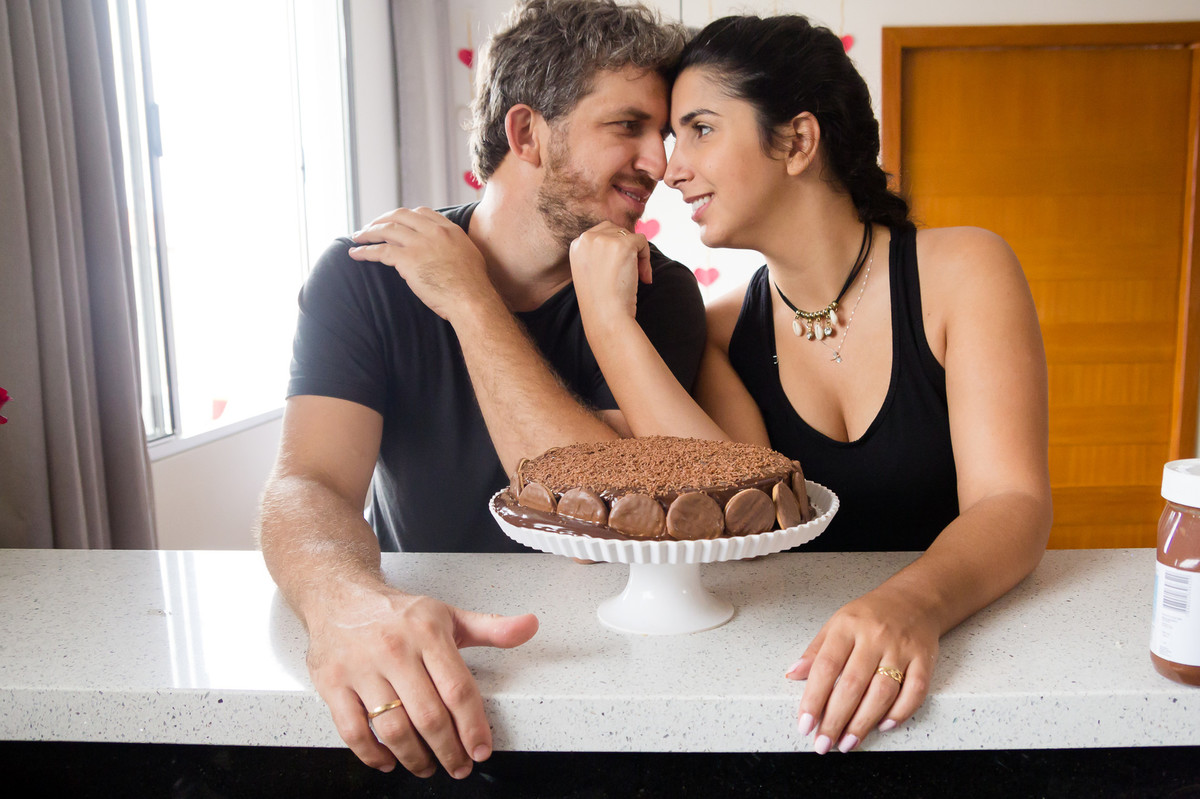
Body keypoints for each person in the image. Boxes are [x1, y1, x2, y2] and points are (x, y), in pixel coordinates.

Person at [569, 14, 1052, 756]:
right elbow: (747, 525)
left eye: (699, 129)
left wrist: (908, 606)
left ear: (797, 140)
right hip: (790, 687)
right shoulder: (721, 328)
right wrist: (608, 321)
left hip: (963, 661)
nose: (670, 168)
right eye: (673, 139)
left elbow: (1012, 503)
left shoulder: (965, 272)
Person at [256, 0, 700, 780]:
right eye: (626, 126)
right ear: (526, 133)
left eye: (661, 136)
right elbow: (309, 482)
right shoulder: (365, 277)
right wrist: (346, 604)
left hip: (615, 674)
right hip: (418, 663)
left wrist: (469, 300)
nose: (659, 163)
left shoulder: (655, 291)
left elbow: (601, 519)